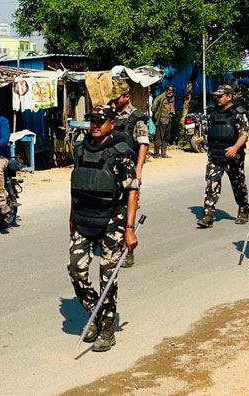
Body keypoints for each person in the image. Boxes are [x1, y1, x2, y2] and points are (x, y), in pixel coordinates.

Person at [68, 105, 139, 352]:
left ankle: (107, 327)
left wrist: (129, 228)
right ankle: (95, 314)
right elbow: (75, 186)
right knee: (77, 270)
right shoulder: (79, 149)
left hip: (113, 220)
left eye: (101, 121)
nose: (95, 125)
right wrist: (71, 218)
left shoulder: (120, 152)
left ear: (111, 124)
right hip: (84, 217)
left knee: (107, 276)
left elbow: (132, 191)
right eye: (93, 121)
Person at [196, 85, 249, 229]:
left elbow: (244, 134)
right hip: (215, 155)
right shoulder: (213, 113)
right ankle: (208, 215)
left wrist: (235, 148)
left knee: (238, 185)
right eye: (216, 96)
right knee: (211, 184)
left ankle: (244, 208)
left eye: (220, 96)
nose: (217, 99)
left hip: (233, 156)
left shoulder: (238, 113)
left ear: (229, 96)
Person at [110, 80, 149, 268]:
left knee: (128, 212)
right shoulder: (110, 114)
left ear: (126, 97)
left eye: (118, 97)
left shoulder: (136, 117)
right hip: (110, 169)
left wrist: (139, 169)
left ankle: (128, 252)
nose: (115, 100)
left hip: (128, 169)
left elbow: (143, 143)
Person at [150, 85, 175, 158]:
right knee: (159, 137)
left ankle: (164, 153)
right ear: (166, 90)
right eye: (169, 90)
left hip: (169, 119)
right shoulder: (160, 98)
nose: (170, 92)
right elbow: (153, 108)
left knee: (166, 137)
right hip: (161, 120)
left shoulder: (172, 98)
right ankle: (156, 153)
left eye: (172, 91)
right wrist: (157, 116)